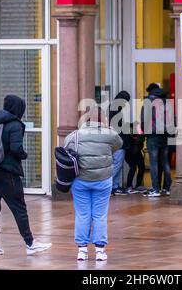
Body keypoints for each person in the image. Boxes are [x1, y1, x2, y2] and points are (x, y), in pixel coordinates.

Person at [0, 94, 52, 256]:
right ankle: (30, 243)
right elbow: (16, 148)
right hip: (9, 172)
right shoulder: (15, 124)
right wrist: (24, 155)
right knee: (19, 208)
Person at [65, 107, 122, 261]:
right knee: (100, 215)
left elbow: (66, 147)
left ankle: (82, 251)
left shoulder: (75, 135)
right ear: (103, 119)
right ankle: (100, 251)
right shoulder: (109, 134)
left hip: (80, 180)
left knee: (82, 214)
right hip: (103, 180)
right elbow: (118, 144)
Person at [141, 84, 172, 197]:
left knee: (153, 163)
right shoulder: (166, 102)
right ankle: (167, 188)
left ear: (150, 91)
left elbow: (144, 119)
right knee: (165, 162)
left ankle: (155, 189)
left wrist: (145, 132)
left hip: (153, 135)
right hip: (165, 135)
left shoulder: (148, 102)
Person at [109, 91, 131, 196]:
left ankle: (115, 186)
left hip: (116, 142)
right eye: (125, 101)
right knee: (117, 164)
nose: (125, 104)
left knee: (117, 164)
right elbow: (116, 127)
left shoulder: (114, 107)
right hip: (118, 143)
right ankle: (109, 184)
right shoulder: (115, 109)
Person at [123, 122, 146, 194]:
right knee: (133, 168)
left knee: (142, 167)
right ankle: (128, 186)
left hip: (137, 152)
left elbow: (140, 142)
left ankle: (138, 185)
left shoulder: (140, 134)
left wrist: (141, 135)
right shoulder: (128, 134)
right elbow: (135, 143)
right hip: (130, 153)